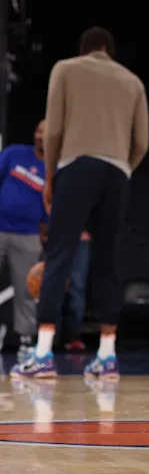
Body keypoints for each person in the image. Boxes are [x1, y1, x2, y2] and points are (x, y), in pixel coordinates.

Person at [11, 26, 149, 380]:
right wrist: (122, 169)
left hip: (75, 167)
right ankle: (107, 355)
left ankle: (42, 354)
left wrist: (51, 176)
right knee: (107, 262)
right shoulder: (133, 81)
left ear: (85, 47)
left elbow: (54, 130)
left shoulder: (66, 69)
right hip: (117, 172)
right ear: (109, 48)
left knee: (59, 255)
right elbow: (142, 142)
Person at [0, 120, 46, 362]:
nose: (40, 137)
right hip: (0, 227)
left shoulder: (55, 171)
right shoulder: (14, 153)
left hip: (28, 234)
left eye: (45, 133)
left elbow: (52, 208)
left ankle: (26, 341)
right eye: (38, 131)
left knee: (26, 288)